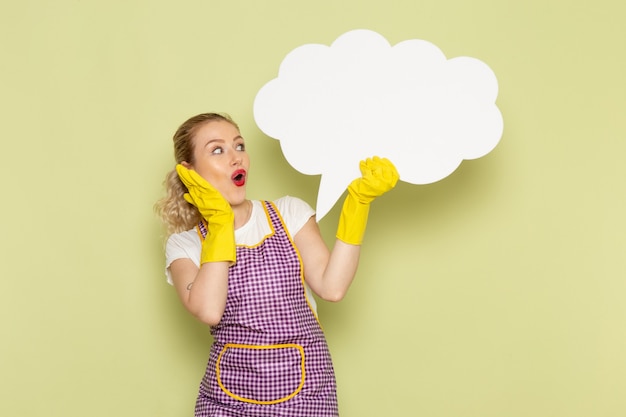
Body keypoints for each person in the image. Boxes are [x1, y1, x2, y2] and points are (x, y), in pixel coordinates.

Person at [155, 112, 398, 417]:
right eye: (217, 150)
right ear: (189, 171)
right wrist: (219, 224)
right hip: (227, 401)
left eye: (239, 146)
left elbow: (332, 287)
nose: (236, 158)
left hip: (307, 394)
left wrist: (358, 204)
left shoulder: (288, 213)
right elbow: (209, 310)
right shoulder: (186, 245)